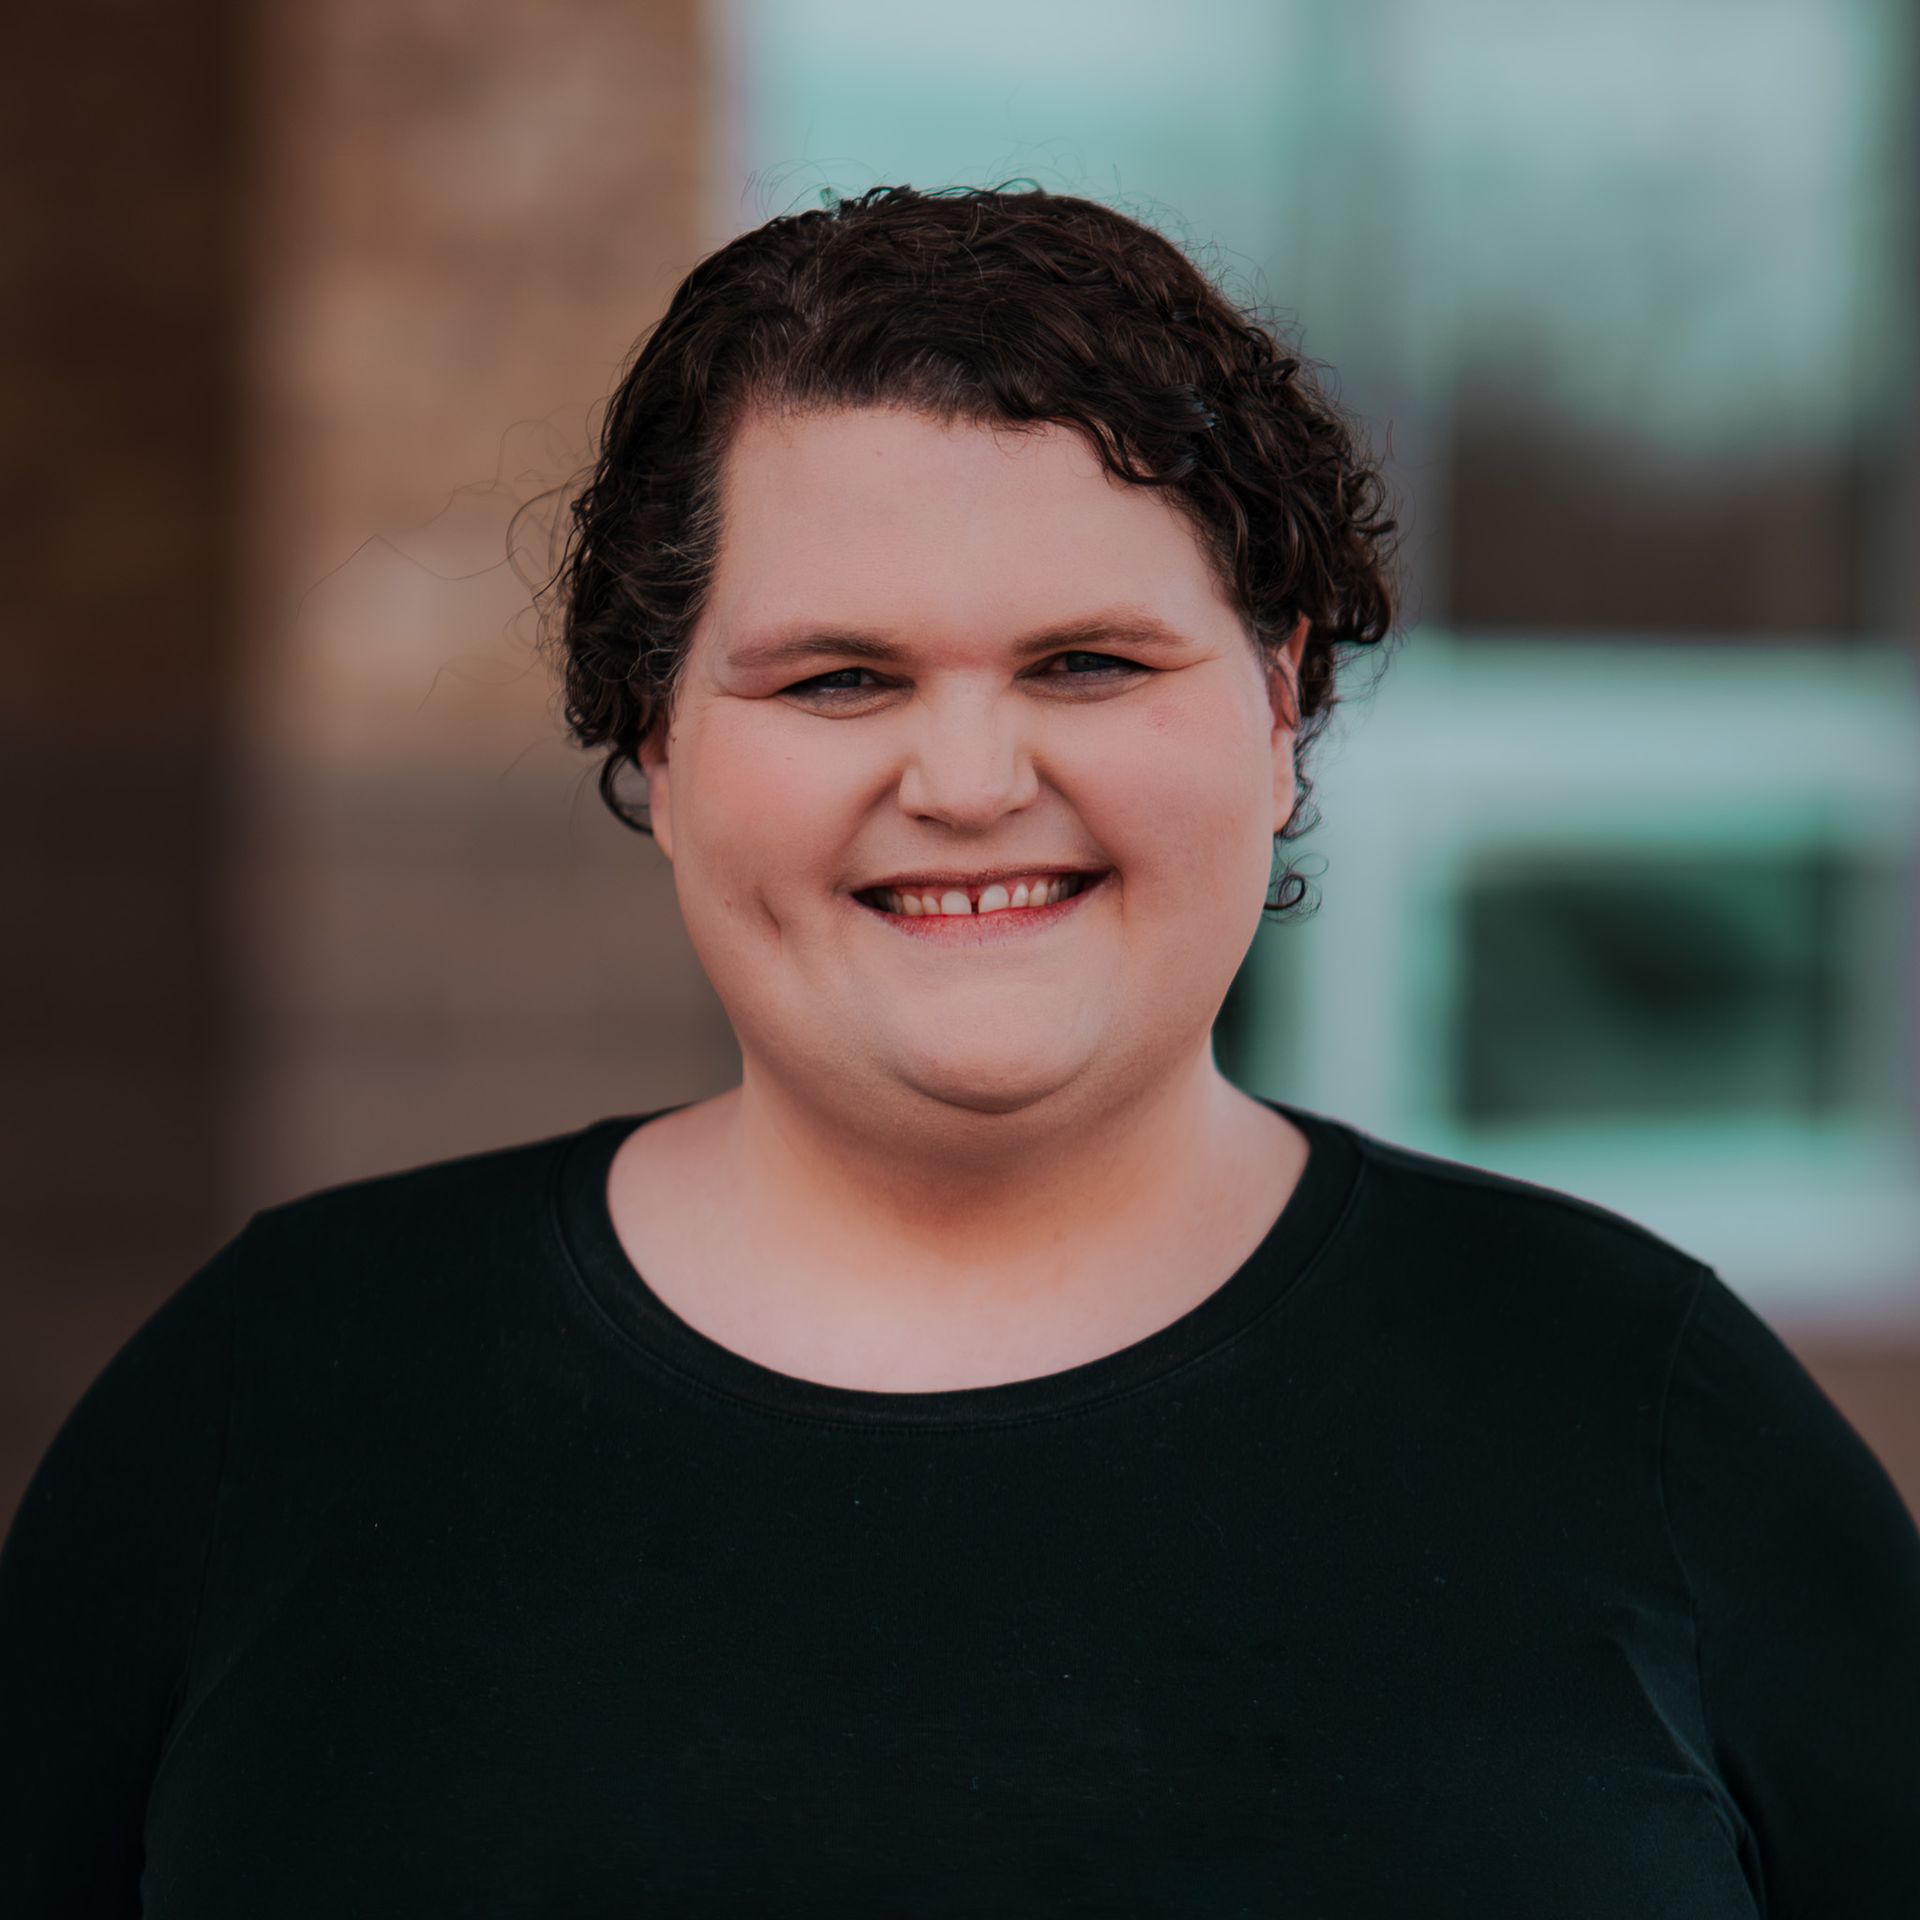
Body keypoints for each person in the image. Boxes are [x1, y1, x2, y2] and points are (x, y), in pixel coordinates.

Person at [2, 184, 1916, 1917]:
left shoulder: (1635, 1403)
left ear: (1279, 709)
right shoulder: (279, 1388)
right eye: (841, 678)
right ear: (660, 745)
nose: (973, 780)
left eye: (1089, 663)